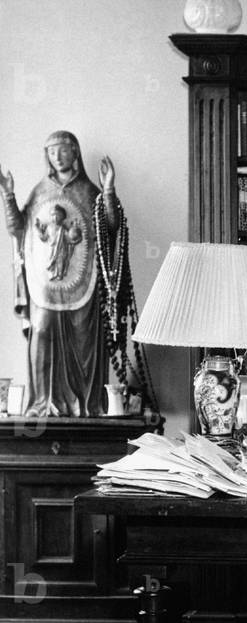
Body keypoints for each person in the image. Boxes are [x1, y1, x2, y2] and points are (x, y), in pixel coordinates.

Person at [0, 130, 120, 417]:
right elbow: (19, 229)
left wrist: (109, 190)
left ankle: (87, 406)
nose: (58, 156)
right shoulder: (40, 191)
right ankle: (44, 402)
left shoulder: (90, 191)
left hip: (83, 285)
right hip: (45, 287)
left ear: (75, 153)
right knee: (41, 332)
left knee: (84, 337)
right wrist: (8, 194)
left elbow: (111, 227)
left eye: (64, 150)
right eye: (52, 152)